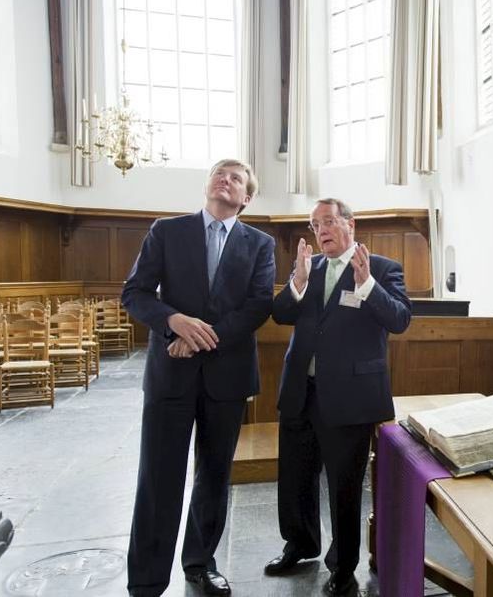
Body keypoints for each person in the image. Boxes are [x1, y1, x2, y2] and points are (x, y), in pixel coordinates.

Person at [123, 159, 276, 597]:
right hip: (170, 376)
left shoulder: (260, 244)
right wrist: (173, 321)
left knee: (214, 476)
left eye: (236, 177)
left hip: (225, 378)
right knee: (158, 475)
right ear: (208, 184)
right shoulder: (167, 231)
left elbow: (257, 306)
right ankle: (148, 577)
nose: (224, 179)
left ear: (246, 198)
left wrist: (198, 337)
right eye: (219, 173)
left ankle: (201, 562)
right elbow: (134, 293)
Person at [264, 198, 411, 596]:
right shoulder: (307, 270)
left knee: (344, 488)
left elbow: (399, 319)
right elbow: (280, 314)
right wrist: (295, 282)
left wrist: (366, 285)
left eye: (328, 221)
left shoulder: (381, 268)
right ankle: (300, 543)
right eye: (315, 225)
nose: (321, 230)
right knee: (295, 478)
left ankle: (342, 566)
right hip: (300, 391)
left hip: (350, 397)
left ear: (350, 224)